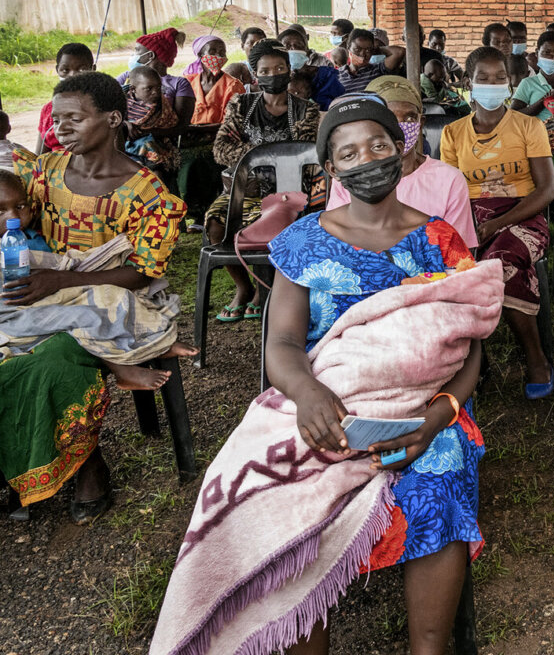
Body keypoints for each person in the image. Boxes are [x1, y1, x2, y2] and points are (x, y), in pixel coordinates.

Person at [150, 95, 497, 655]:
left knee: (439, 476)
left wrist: (439, 415)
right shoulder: (304, 240)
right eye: (350, 152)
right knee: (282, 499)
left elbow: (468, 347)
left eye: (380, 145)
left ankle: (428, 648)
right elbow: (283, 344)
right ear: (331, 168)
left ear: (404, 149)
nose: (368, 159)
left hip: (422, 404)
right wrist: (309, 395)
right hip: (324, 396)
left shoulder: (439, 240)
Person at [3, 72, 190, 525]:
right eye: (57, 118)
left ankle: (88, 463)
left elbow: (144, 272)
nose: (60, 127)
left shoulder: (149, 194)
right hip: (36, 293)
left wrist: (59, 284)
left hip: (112, 302)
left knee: (50, 360)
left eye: (74, 118)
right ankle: (15, 466)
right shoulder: (42, 173)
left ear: (112, 118)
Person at [441, 45, 554, 397]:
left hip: (523, 214)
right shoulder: (453, 133)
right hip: (469, 216)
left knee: (499, 262)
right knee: (449, 268)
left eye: (500, 78)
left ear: (511, 83)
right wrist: (468, 227)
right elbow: (449, 192)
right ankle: (474, 361)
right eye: (483, 79)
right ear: (468, 83)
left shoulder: (528, 126)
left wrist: (494, 225)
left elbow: (547, 189)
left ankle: (536, 358)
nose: (492, 85)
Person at [205, 39, 321, 322]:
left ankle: (264, 291)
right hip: (247, 189)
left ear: (289, 71)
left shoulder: (307, 109)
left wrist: (251, 159)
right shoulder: (241, 105)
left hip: (291, 192)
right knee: (216, 224)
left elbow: (305, 158)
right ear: (255, 73)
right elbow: (221, 149)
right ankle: (244, 287)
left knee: (274, 226)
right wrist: (260, 164)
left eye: (279, 68)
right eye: (265, 70)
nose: (273, 75)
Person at [328, 76, 477, 248]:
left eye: (409, 118)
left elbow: (458, 254)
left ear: (421, 123)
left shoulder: (448, 179)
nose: (401, 127)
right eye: (391, 118)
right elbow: (337, 245)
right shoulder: (351, 177)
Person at [180, 34, 243, 221]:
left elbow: (230, 122)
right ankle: (188, 208)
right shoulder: (187, 81)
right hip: (190, 137)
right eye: (212, 51)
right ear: (200, 55)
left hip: (220, 137)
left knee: (204, 159)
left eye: (222, 52)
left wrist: (198, 130)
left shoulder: (233, 85)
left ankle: (203, 211)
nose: (218, 56)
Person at [119, 28, 195, 133]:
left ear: (150, 55)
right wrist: (125, 124)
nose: (133, 55)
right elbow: (107, 110)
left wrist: (145, 133)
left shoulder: (180, 84)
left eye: (137, 50)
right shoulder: (127, 77)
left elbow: (182, 125)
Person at [121, 65, 180, 177]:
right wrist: (126, 124)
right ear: (133, 89)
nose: (155, 92)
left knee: (156, 169)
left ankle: (159, 189)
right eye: (149, 88)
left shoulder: (160, 105)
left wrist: (145, 132)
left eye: (158, 88)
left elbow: (171, 123)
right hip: (124, 144)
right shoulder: (121, 100)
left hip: (152, 145)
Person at [36, 42, 94, 154]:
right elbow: (40, 154)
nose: (72, 75)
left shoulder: (100, 105)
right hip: (53, 168)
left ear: (93, 69)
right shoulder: (48, 110)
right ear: (57, 70)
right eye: (65, 70)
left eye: (82, 70)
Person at [277, 26, 343, 109]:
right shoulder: (276, 78)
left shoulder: (326, 76)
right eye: (287, 46)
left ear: (306, 49)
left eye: (298, 45)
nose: (293, 48)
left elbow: (340, 101)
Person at [336, 28, 403, 95]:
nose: (362, 54)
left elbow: (399, 52)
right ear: (348, 48)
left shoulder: (378, 70)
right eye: (357, 49)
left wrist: (378, 49)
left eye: (367, 50)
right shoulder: (337, 74)